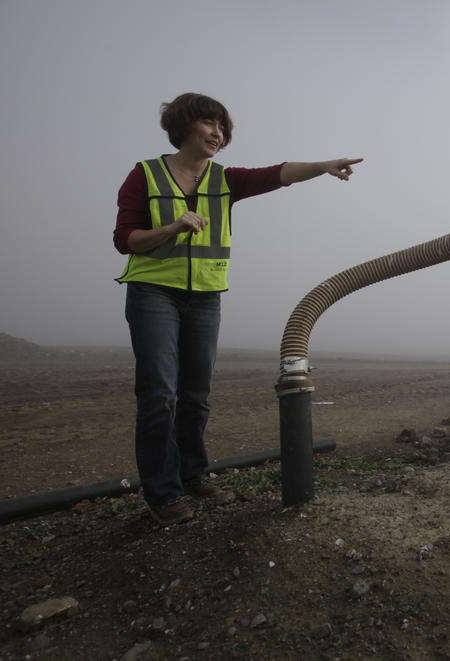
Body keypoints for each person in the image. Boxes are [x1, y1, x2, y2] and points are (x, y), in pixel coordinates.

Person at [113, 92, 362, 525]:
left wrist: (321, 167)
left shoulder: (224, 180)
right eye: (209, 124)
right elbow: (125, 240)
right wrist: (172, 227)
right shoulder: (145, 175)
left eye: (223, 127)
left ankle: (193, 474)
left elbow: (278, 173)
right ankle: (164, 495)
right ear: (183, 126)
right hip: (154, 292)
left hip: (206, 297)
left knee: (196, 397)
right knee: (157, 395)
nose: (218, 133)